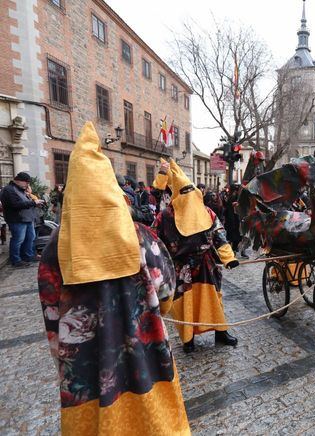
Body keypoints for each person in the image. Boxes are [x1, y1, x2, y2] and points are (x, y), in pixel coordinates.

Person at [37, 122, 190, 435]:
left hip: (84, 364)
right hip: (145, 349)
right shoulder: (142, 237)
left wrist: (63, 355)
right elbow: (166, 291)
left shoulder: (54, 248)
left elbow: (51, 313)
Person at [154, 160, 240, 353]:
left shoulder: (207, 212)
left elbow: (219, 233)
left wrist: (228, 257)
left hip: (206, 264)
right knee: (186, 303)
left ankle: (220, 332)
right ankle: (188, 338)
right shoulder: (165, 217)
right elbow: (155, 243)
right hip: (182, 267)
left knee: (213, 300)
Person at [0, 172, 44, 267]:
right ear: (19, 180)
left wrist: (33, 201)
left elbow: (25, 202)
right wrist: (33, 203)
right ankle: (16, 260)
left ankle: (28, 256)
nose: (27, 185)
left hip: (27, 218)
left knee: (30, 238)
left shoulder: (21, 189)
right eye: (26, 182)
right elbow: (15, 204)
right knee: (18, 239)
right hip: (17, 219)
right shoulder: (8, 190)